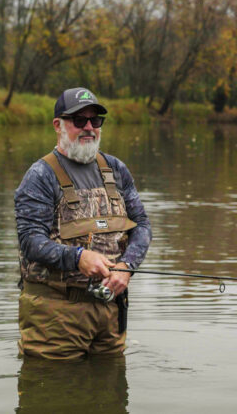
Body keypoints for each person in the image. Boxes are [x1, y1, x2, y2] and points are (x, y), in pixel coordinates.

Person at [14, 87, 151, 360]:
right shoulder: (40, 175)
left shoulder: (116, 169)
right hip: (55, 315)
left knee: (112, 395)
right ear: (58, 125)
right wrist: (78, 257)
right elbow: (30, 242)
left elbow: (142, 226)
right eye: (79, 120)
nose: (89, 127)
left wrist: (127, 267)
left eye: (95, 120)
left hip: (111, 309)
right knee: (52, 395)